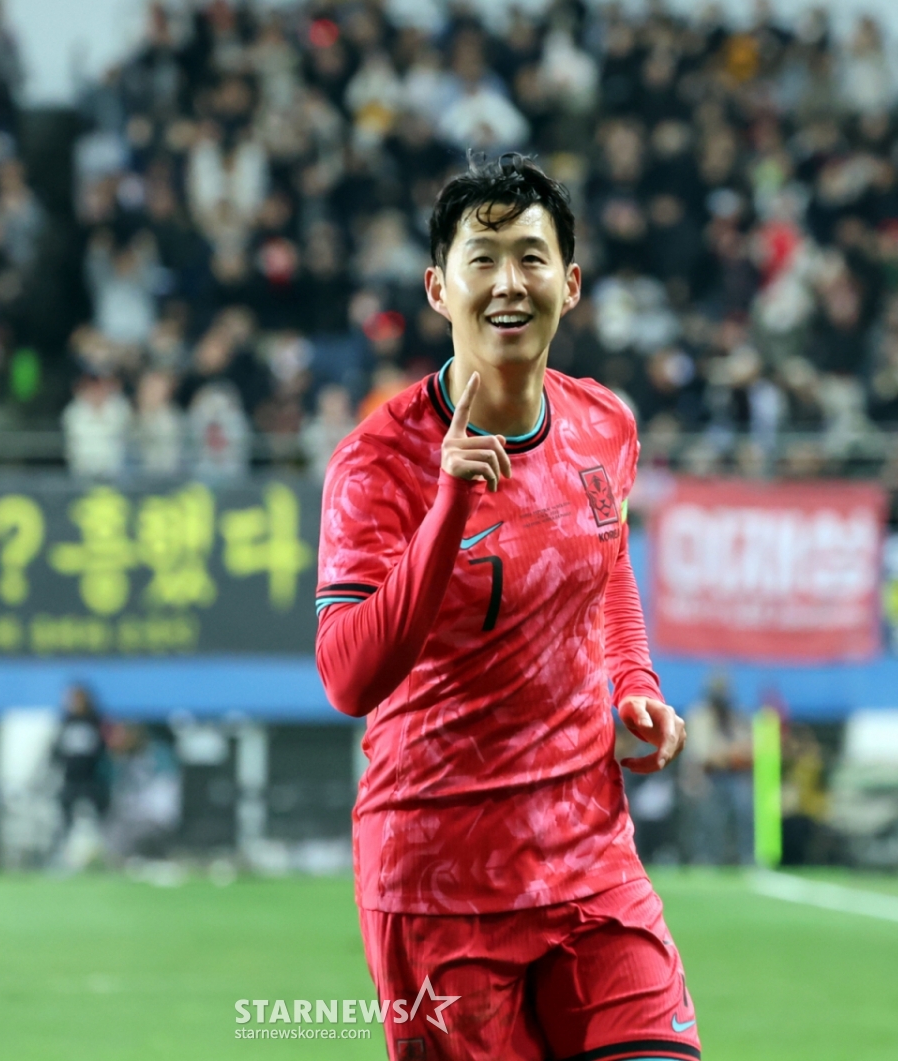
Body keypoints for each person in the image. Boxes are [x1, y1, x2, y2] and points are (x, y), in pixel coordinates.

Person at [315, 155, 696, 1061]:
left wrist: (633, 680)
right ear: (438, 288)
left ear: (570, 282)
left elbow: (608, 562)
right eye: (481, 258)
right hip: (441, 879)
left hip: (591, 858)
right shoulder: (376, 465)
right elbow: (347, 675)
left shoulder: (606, 423)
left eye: (531, 256)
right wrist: (447, 506)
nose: (508, 282)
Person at [683, 674, 754, 866]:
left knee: (745, 812)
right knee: (710, 820)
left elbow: (748, 747)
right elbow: (701, 754)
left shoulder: (736, 716)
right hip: (708, 776)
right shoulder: (699, 715)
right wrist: (728, 754)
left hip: (735, 775)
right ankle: (707, 859)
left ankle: (747, 858)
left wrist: (731, 754)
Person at [51, 684, 112, 832]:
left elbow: (106, 747)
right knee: (65, 815)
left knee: (100, 817)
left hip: (93, 778)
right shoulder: (66, 721)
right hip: (71, 778)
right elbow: (57, 749)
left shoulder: (96, 721)